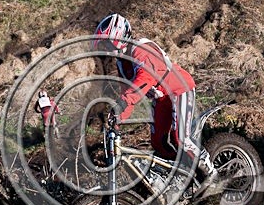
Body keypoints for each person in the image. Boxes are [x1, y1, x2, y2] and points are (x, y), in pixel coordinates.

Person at [92, 13, 217, 181]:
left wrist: (125, 101)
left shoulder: (141, 49)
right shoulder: (122, 64)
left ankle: (213, 175)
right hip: (162, 99)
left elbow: (145, 78)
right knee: (159, 143)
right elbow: (126, 94)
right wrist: (117, 118)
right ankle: (182, 176)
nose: (105, 49)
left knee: (181, 138)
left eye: (106, 43)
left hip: (180, 90)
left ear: (119, 37)